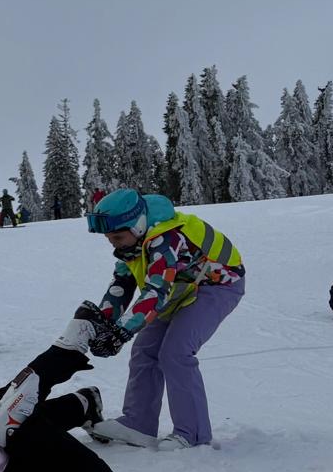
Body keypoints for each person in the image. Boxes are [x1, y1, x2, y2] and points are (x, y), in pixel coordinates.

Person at [81, 189, 244, 449]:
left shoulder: (166, 239)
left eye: (117, 237)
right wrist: (102, 323)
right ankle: (138, 423)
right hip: (180, 288)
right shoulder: (132, 244)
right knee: (144, 351)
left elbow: (156, 290)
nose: (113, 243)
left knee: (176, 352)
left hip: (217, 285)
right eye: (109, 239)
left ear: (137, 225)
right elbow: (122, 285)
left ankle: (193, 435)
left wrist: (121, 332)